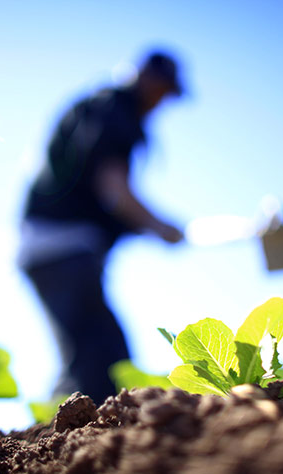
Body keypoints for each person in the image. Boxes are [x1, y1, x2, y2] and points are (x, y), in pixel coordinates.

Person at [18, 50, 185, 405]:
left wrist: (141, 227)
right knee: (103, 357)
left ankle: (60, 432)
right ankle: (74, 439)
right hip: (62, 246)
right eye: (163, 91)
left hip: (47, 246)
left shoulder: (98, 107)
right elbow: (115, 192)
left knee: (87, 350)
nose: (162, 102)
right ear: (147, 80)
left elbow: (104, 200)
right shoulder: (116, 113)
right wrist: (159, 225)